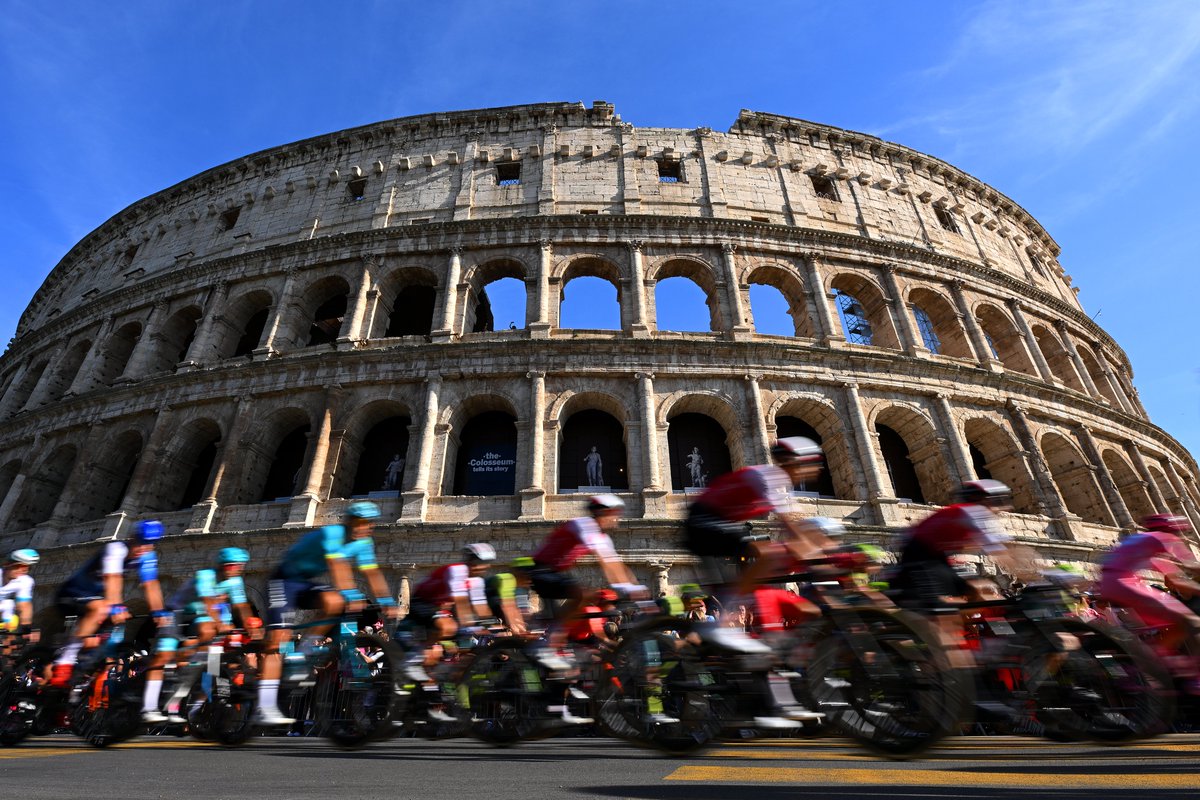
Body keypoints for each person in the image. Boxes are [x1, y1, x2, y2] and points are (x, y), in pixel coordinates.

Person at [258, 501, 397, 726]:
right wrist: (351, 594)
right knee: (277, 641)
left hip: (303, 583)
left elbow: (372, 574)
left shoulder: (364, 543)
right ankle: (263, 706)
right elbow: (338, 567)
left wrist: (387, 601)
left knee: (333, 601)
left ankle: (303, 652)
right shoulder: (332, 533)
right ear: (351, 522)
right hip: (283, 580)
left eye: (370, 523)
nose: (366, 528)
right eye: (362, 523)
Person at [682, 437, 837, 602]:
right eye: (814, 463)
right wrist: (817, 556)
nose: (819, 468)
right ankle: (730, 606)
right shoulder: (770, 478)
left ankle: (733, 598)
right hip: (704, 522)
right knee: (770, 553)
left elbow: (803, 524)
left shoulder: (779, 482)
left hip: (711, 522)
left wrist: (832, 548)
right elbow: (790, 525)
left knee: (767, 556)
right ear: (798, 463)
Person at [526, 494, 645, 671]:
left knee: (579, 599)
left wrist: (634, 587)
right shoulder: (583, 525)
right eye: (615, 514)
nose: (617, 518)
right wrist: (629, 588)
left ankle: (553, 640)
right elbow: (605, 562)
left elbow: (616, 565)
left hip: (553, 573)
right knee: (585, 594)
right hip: (540, 570)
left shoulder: (602, 537)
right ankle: (550, 639)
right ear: (604, 513)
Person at [144, 547, 257, 724]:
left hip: (202, 618)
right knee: (165, 654)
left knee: (211, 646)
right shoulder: (205, 576)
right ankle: (149, 704)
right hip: (178, 613)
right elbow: (208, 603)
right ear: (222, 566)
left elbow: (241, 606)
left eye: (239, 566)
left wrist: (251, 624)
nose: (236, 570)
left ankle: (192, 673)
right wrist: (221, 624)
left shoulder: (235, 582)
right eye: (231, 566)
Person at [50, 520, 166, 688]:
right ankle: (65, 660)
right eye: (139, 543)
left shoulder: (146, 557)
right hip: (71, 594)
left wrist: (159, 612)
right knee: (101, 608)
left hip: (94, 599)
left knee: (96, 644)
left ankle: (72, 691)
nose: (142, 549)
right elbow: (113, 579)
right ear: (132, 538)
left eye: (148, 545)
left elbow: (151, 585)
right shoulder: (116, 549)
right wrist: (117, 606)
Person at [1099, 514, 1200, 690]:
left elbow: (1176, 580)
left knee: (1176, 624)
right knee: (1193, 622)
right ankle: (1194, 677)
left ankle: (1154, 660)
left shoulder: (1139, 541)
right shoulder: (1162, 538)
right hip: (1126, 585)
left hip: (1109, 585)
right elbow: (1191, 566)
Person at [0, 548, 39, 636]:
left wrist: (27, 628)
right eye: (18, 566)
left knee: (10, 608)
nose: (23, 570)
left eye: (26, 568)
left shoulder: (25, 581)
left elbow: (24, 605)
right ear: (7, 565)